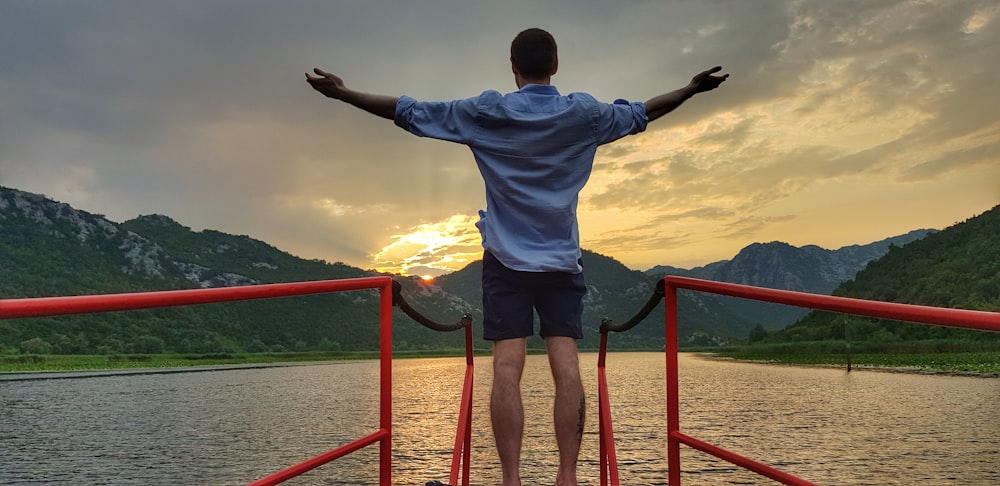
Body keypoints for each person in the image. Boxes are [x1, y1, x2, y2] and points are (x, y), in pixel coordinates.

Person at [306, 27, 727, 486]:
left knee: (507, 365)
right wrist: (690, 89)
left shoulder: (486, 112)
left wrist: (345, 95)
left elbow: (408, 111)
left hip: (504, 261)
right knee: (565, 361)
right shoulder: (584, 115)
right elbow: (646, 111)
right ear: (556, 65)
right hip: (563, 261)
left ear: (512, 67)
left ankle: (511, 480)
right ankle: (567, 477)